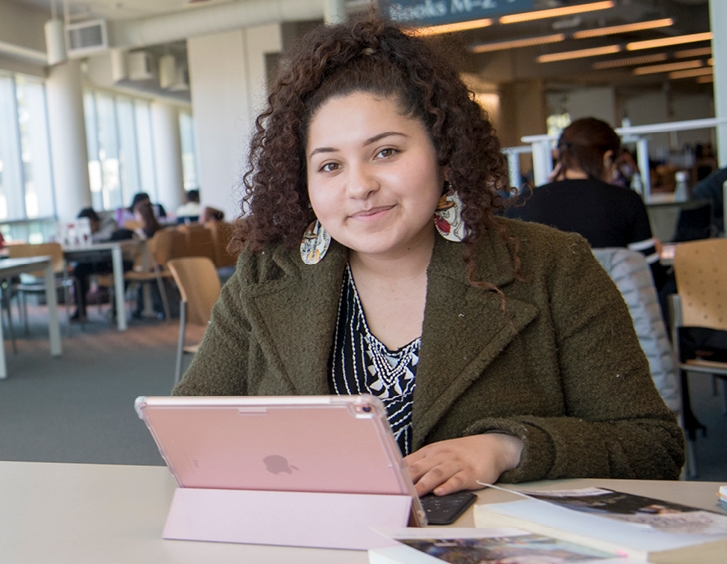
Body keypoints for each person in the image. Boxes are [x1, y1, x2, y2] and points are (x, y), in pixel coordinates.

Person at [173, 18, 682, 498]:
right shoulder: (266, 276)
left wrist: (507, 447)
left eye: (386, 152)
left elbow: (651, 445)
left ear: (443, 150)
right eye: (329, 165)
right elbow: (191, 434)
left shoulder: (553, 266)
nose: (359, 187)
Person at [504, 118, 666, 291]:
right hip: (612, 311)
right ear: (607, 157)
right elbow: (650, 276)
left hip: (545, 314)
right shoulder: (626, 200)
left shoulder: (524, 202)